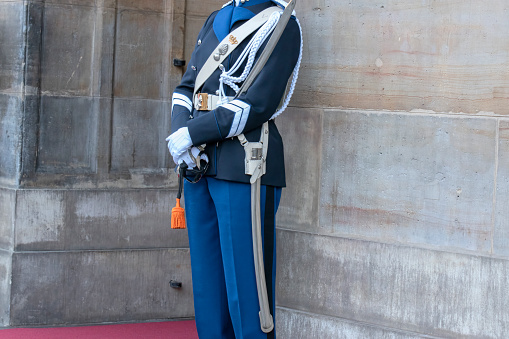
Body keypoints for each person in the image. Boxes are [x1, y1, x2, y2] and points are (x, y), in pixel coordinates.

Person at [166, 0, 302, 338]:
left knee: (248, 291)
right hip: (200, 165)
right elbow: (188, 87)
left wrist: (192, 133)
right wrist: (181, 133)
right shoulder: (217, 17)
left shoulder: (280, 22)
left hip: (245, 167)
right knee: (209, 290)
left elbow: (257, 103)